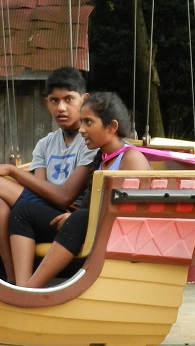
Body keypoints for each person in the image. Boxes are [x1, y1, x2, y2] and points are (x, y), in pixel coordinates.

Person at [0, 67, 98, 283]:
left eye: (69, 99)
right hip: (43, 208)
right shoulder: (45, 144)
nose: (62, 108)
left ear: (84, 100)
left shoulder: (89, 140)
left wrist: (12, 171)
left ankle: (11, 279)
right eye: (54, 101)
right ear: (46, 102)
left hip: (68, 216)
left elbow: (64, 197)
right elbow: (39, 191)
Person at [10, 92, 152, 289]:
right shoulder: (101, 159)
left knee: (79, 218)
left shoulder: (131, 159)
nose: (82, 129)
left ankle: (31, 290)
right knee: (24, 211)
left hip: (120, 235)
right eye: (82, 122)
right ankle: (19, 284)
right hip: (92, 227)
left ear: (111, 127)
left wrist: (82, 218)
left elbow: (133, 212)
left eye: (88, 122)